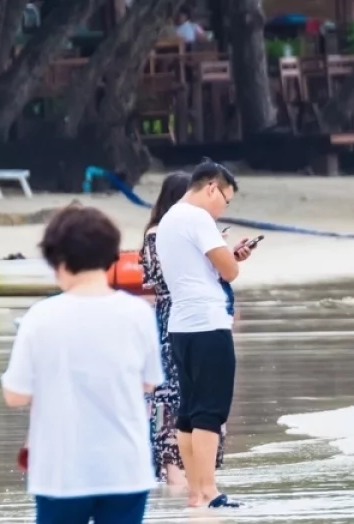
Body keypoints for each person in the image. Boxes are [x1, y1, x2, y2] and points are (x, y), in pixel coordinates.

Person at [2, 205, 162, 524]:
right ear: (112, 256)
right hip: (126, 468)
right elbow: (149, 382)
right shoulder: (138, 314)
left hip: (61, 471)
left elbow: (15, 395)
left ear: (58, 261)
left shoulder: (40, 317)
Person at [156, 161, 255, 509]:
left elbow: (199, 268)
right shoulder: (199, 219)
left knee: (188, 411)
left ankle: (196, 492)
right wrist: (232, 258)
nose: (223, 208)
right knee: (210, 411)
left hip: (181, 326)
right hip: (208, 324)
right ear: (212, 187)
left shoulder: (169, 219)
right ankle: (210, 490)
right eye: (226, 200)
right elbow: (229, 271)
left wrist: (226, 255)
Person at [140, 173, 226, 486]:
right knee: (174, 394)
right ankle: (174, 470)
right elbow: (164, 278)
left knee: (186, 392)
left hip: (179, 316)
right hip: (176, 317)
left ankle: (191, 472)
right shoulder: (161, 234)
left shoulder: (168, 232)